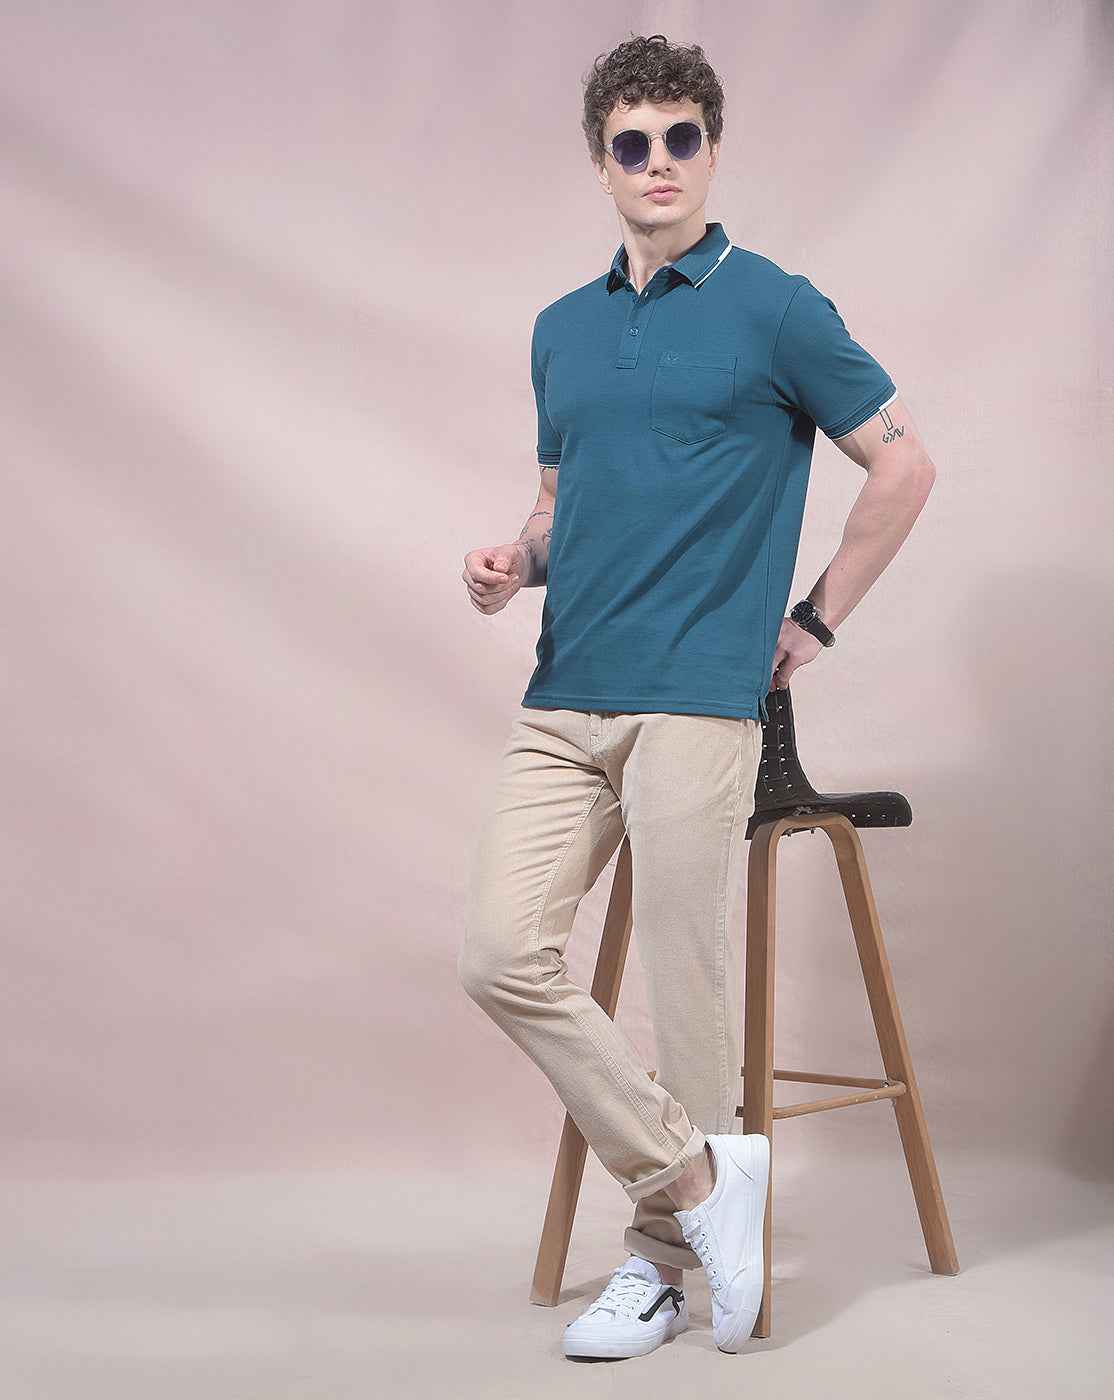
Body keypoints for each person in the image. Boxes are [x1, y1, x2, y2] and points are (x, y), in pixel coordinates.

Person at [457, 33, 936, 1359]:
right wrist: (514, 564)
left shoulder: (775, 307)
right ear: (601, 162)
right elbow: (557, 505)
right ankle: (697, 1182)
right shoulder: (562, 328)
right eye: (632, 143)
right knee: (499, 955)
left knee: (688, 985)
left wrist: (815, 619)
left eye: (680, 138)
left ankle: (663, 1265)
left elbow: (903, 467)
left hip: (696, 698)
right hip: (567, 695)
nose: (657, 162)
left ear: (711, 151)